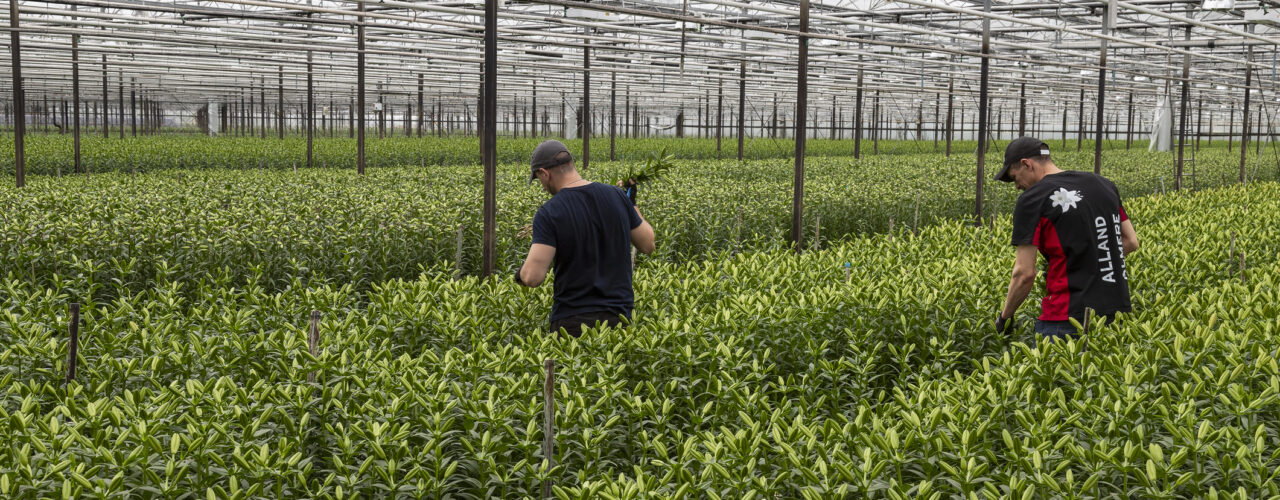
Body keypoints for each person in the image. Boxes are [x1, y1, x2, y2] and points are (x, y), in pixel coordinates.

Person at [994, 137, 1139, 342]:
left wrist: (1004, 318)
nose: (1017, 186)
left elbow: (1024, 273)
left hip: (1064, 319)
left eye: (1015, 177)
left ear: (1027, 164)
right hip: (1114, 312)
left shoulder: (1033, 199)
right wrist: (1089, 261)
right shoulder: (1104, 186)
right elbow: (1131, 241)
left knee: (1051, 373)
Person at [517, 140, 656, 337]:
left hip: (572, 322)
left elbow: (532, 277)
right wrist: (630, 203)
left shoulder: (549, 212)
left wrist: (520, 275)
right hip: (619, 319)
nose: (542, 187)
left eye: (539, 179)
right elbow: (648, 245)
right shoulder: (617, 196)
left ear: (545, 173)